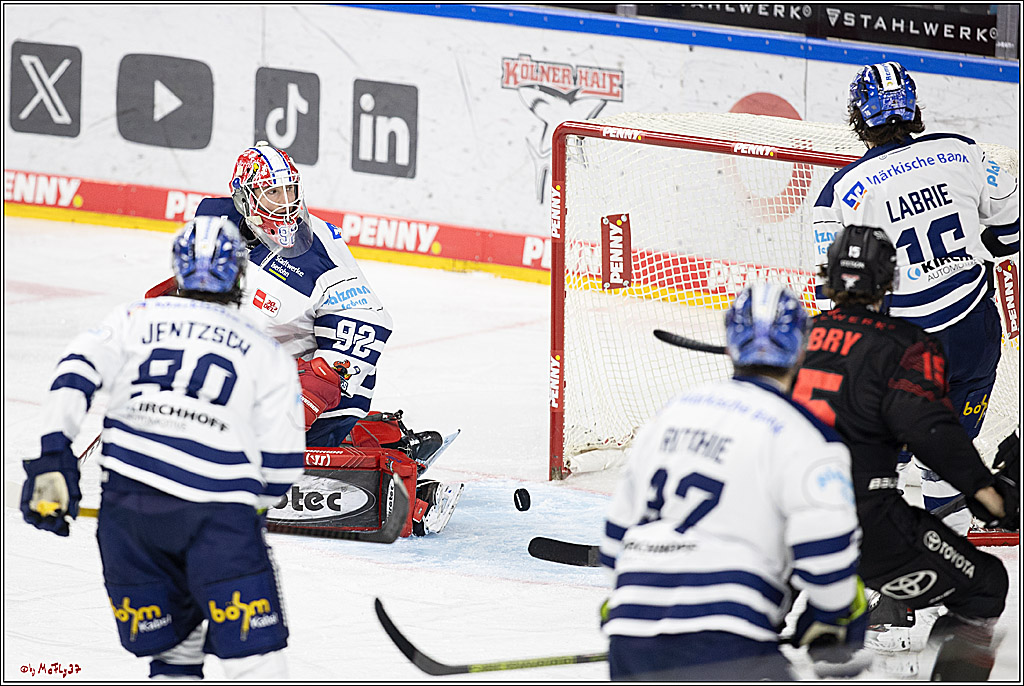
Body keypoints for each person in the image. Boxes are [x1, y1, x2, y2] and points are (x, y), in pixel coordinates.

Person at [21, 216, 306, 679]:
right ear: (239, 274)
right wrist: (252, 508)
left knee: (175, 656)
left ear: (178, 269)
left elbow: (73, 371)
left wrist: (54, 456)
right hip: (217, 519)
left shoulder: (135, 318)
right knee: (256, 662)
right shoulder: (263, 350)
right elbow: (280, 466)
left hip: (129, 519)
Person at [600, 282, 867, 681]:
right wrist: (833, 615)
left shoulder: (670, 415)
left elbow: (615, 540)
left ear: (730, 343)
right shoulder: (808, 435)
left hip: (630, 634)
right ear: (802, 346)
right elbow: (826, 556)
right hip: (729, 640)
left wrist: (630, 603)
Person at [192, 141, 462, 535]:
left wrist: (313, 388)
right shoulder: (214, 221)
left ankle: (409, 495)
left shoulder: (321, 257)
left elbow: (364, 328)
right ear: (245, 196)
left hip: (326, 380)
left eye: (290, 191)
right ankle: (383, 438)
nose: (285, 204)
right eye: (272, 192)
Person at [792, 224, 1017, 680]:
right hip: (860, 522)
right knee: (985, 587)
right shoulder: (905, 344)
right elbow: (930, 431)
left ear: (829, 277)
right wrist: (986, 490)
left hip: (776, 517)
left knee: (742, 623)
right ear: (889, 280)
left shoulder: (796, 340)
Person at [812, 61, 1019, 535]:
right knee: (947, 457)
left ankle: (881, 567)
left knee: (876, 459)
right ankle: (945, 560)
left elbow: (838, 300)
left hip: (904, 350)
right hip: (975, 335)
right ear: (914, 109)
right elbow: (1012, 227)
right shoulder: (962, 152)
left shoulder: (839, 193)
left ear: (858, 117)